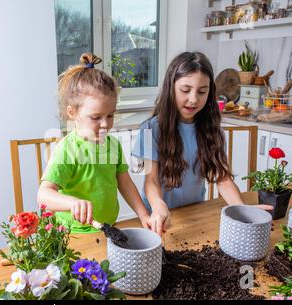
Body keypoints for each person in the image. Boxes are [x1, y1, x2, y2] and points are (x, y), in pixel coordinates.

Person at [132, 52, 272, 236]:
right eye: (185, 90)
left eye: (202, 91)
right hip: (158, 218)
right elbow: (150, 180)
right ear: (171, 87)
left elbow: (222, 178)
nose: (193, 99)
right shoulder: (149, 129)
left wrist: (243, 212)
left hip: (194, 213)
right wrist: (158, 205)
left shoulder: (212, 130)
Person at [37, 53, 150, 233]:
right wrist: (73, 203)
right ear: (72, 112)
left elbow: (125, 183)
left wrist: (144, 215)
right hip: (74, 234)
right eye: (96, 117)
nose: (105, 124)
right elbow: (43, 195)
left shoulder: (113, 144)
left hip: (108, 227)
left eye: (110, 115)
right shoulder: (66, 149)